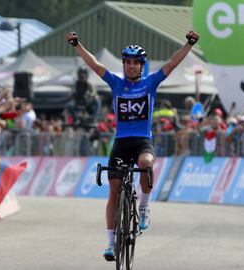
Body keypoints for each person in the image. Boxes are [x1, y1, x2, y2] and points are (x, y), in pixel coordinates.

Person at [65, 30, 200, 261]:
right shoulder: (116, 84)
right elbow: (96, 65)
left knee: (146, 164)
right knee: (114, 190)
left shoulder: (150, 83)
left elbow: (171, 63)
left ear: (142, 66)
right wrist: (77, 45)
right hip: (121, 143)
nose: (131, 66)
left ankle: (144, 206)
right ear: (124, 64)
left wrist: (189, 44)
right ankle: (111, 242)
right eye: (127, 62)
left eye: (135, 63)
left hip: (141, 141)